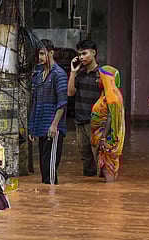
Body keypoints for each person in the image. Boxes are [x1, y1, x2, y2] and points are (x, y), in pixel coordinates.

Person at [28, 39, 68, 185]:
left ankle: (51, 201)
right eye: (38, 54)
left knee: (50, 172)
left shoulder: (59, 74)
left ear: (51, 53)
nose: (40, 57)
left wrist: (54, 125)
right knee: (44, 168)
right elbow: (34, 103)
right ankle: (45, 203)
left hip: (53, 128)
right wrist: (32, 128)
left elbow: (62, 103)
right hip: (41, 127)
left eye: (42, 54)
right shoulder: (38, 76)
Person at [68, 39, 100, 177]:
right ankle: (89, 181)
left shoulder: (102, 74)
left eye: (84, 53)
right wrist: (73, 71)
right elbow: (70, 92)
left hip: (96, 122)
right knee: (85, 156)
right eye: (79, 54)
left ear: (93, 53)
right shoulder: (79, 74)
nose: (81, 57)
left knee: (99, 155)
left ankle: (103, 186)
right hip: (80, 121)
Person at [91, 66, 125, 182]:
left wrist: (104, 137)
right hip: (103, 140)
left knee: (108, 175)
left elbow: (111, 117)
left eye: (98, 78)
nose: (97, 81)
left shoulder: (112, 97)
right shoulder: (105, 94)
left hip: (107, 142)